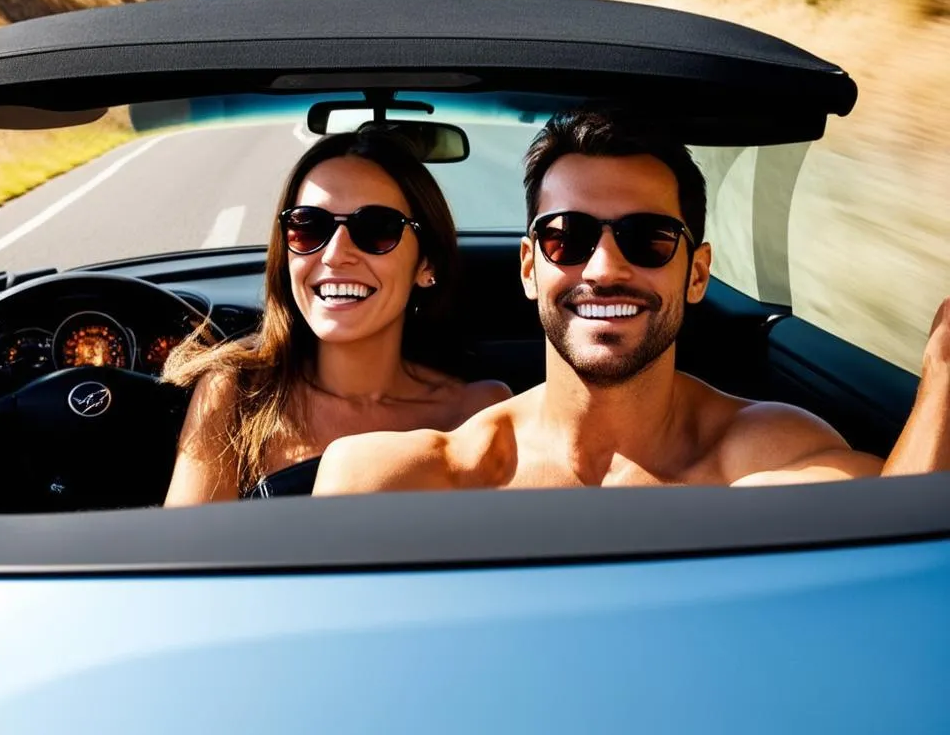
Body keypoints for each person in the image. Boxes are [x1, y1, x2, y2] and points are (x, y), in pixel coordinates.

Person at [314, 111, 950, 493]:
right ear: (530, 268)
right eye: (568, 237)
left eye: (648, 239)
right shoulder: (403, 479)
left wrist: (944, 371)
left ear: (696, 273)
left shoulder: (768, 453)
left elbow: (899, 546)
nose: (606, 267)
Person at [162, 129, 510, 505]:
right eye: (309, 227)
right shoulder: (234, 395)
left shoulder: (478, 411)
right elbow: (183, 557)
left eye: (376, 230)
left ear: (426, 264)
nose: (334, 254)